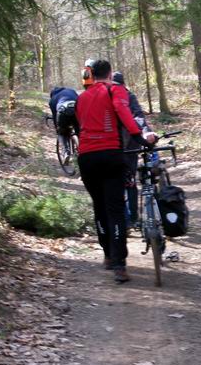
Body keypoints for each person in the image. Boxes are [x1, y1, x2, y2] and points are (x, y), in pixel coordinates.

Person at [76, 59, 157, 283]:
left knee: (99, 207)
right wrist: (141, 137)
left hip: (86, 157)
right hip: (111, 154)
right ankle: (120, 265)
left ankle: (108, 256)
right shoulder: (115, 90)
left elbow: (80, 124)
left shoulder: (82, 97)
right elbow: (124, 114)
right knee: (116, 209)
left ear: (91, 74)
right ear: (110, 74)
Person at [112, 71, 150, 229]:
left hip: (129, 145)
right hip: (115, 146)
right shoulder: (110, 97)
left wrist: (144, 131)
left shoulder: (129, 97)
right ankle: (127, 218)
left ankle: (132, 217)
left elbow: (139, 116)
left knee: (129, 181)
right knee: (123, 182)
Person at [48, 86, 79, 153]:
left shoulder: (52, 99)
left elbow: (55, 116)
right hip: (76, 108)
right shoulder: (71, 90)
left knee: (62, 132)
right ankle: (83, 147)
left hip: (63, 110)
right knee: (79, 130)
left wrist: (58, 129)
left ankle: (66, 150)